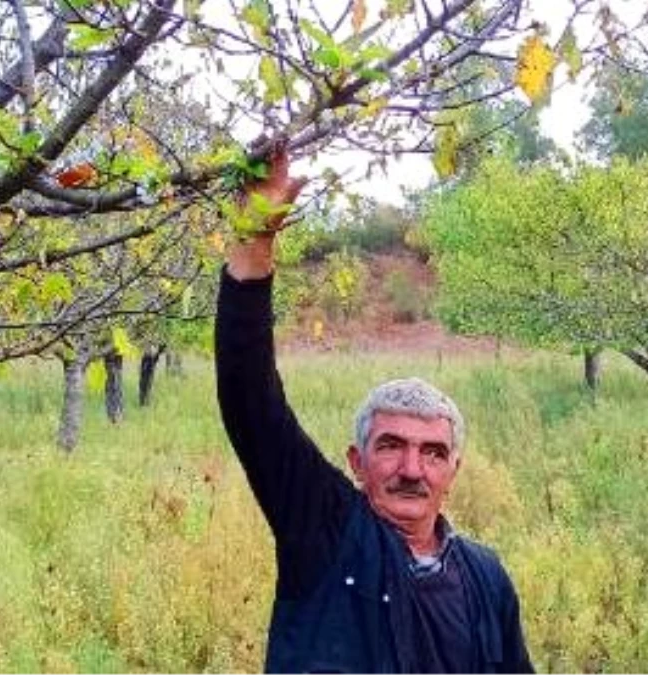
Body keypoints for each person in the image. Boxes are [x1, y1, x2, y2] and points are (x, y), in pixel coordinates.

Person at [215, 143, 534, 674]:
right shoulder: (325, 534)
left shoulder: (486, 576)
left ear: (453, 470)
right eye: (391, 447)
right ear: (357, 462)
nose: (412, 470)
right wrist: (254, 239)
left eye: (433, 453)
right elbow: (251, 402)